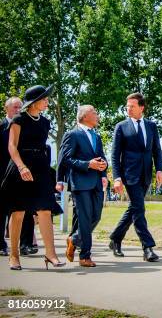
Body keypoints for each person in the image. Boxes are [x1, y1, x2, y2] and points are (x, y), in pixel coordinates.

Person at [0, 85, 64, 270]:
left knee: (45, 210)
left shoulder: (45, 122)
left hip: (40, 168)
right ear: (35, 102)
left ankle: (51, 255)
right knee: (18, 212)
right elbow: (12, 146)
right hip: (21, 167)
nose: (47, 102)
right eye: (44, 99)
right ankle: (14, 255)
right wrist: (21, 167)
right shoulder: (19, 119)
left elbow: (44, 147)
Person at [108, 93, 162, 262]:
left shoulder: (152, 126)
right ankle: (147, 247)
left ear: (142, 107)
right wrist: (117, 177)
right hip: (129, 175)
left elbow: (157, 150)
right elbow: (115, 155)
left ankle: (115, 239)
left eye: (132, 106)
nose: (128, 109)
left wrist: (159, 170)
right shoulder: (121, 126)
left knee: (133, 208)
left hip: (146, 174)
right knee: (139, 209)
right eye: (127, 106)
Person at [57, 105, 108, 267]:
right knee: (85, 219)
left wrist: (104, 172)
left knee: (96, 216)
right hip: (80, 183)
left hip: (96, 183)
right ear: (85, 116)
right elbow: (66, 159)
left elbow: (101, 157)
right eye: (94, 112)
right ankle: (85, 256)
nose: (97, 115)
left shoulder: (97, 137)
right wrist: (88, 164)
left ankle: (74, 239)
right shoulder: (72, 135)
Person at [0, 97, 23, 256]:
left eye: (21, 107)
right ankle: (1, 244)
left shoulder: (25, 125)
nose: (18, 110)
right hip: (2, 174)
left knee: (21, 210)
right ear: (6, 109)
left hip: (20, 173)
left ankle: (25, 244)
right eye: (15, 107)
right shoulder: (1, 126)